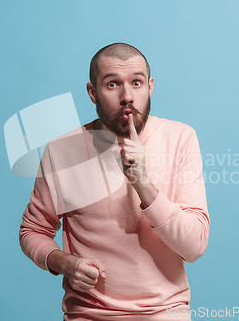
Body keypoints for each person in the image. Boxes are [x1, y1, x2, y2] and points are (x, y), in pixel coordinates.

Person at [19, 43, 210, 321]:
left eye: (136, 82)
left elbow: (194, 247)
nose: (127, 96)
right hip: (89, 314)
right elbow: (32, 230)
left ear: (150, 87)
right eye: (112, 84)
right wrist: (64, 263)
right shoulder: (62, 151)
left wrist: (142, 183)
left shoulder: (180, 138)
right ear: (92, 92)